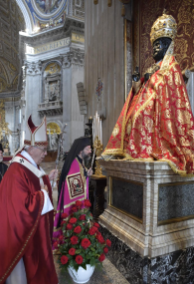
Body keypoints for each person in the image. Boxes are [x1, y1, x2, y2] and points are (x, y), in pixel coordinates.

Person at [0, 115, 60, 284]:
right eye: (43, 150)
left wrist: (48, 179)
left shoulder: (29, 164)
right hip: (21, 238)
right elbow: (22, 207)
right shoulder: (17, 169)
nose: (45, 154)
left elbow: (37, 183)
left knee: (40, 267)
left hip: (34, 233)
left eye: (45, 150)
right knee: (24, 277)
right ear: (31, 148)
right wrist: (45, 193)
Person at [102, 12, 194, 176]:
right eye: (154, 45)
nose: (155, 48)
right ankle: (135, 148)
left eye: (160, 44)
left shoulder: (172, 69)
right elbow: (142, 89)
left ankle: (152, 147)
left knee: (140, 115)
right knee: (134, 114)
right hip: (148, 107)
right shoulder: (152, 69)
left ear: (169, 46)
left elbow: (170, 93)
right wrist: (138, 83)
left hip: (161, 113)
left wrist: (151, 81)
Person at [53, 136, 93, 242]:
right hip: (73, 205)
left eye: (90, 148)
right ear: (80, 150)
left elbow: (80, 177)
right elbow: (74, 184)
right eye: (88, 149)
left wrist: (86, 174)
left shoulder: (79, 161)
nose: (90, 151)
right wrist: (85, 175)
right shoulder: (74, 164)